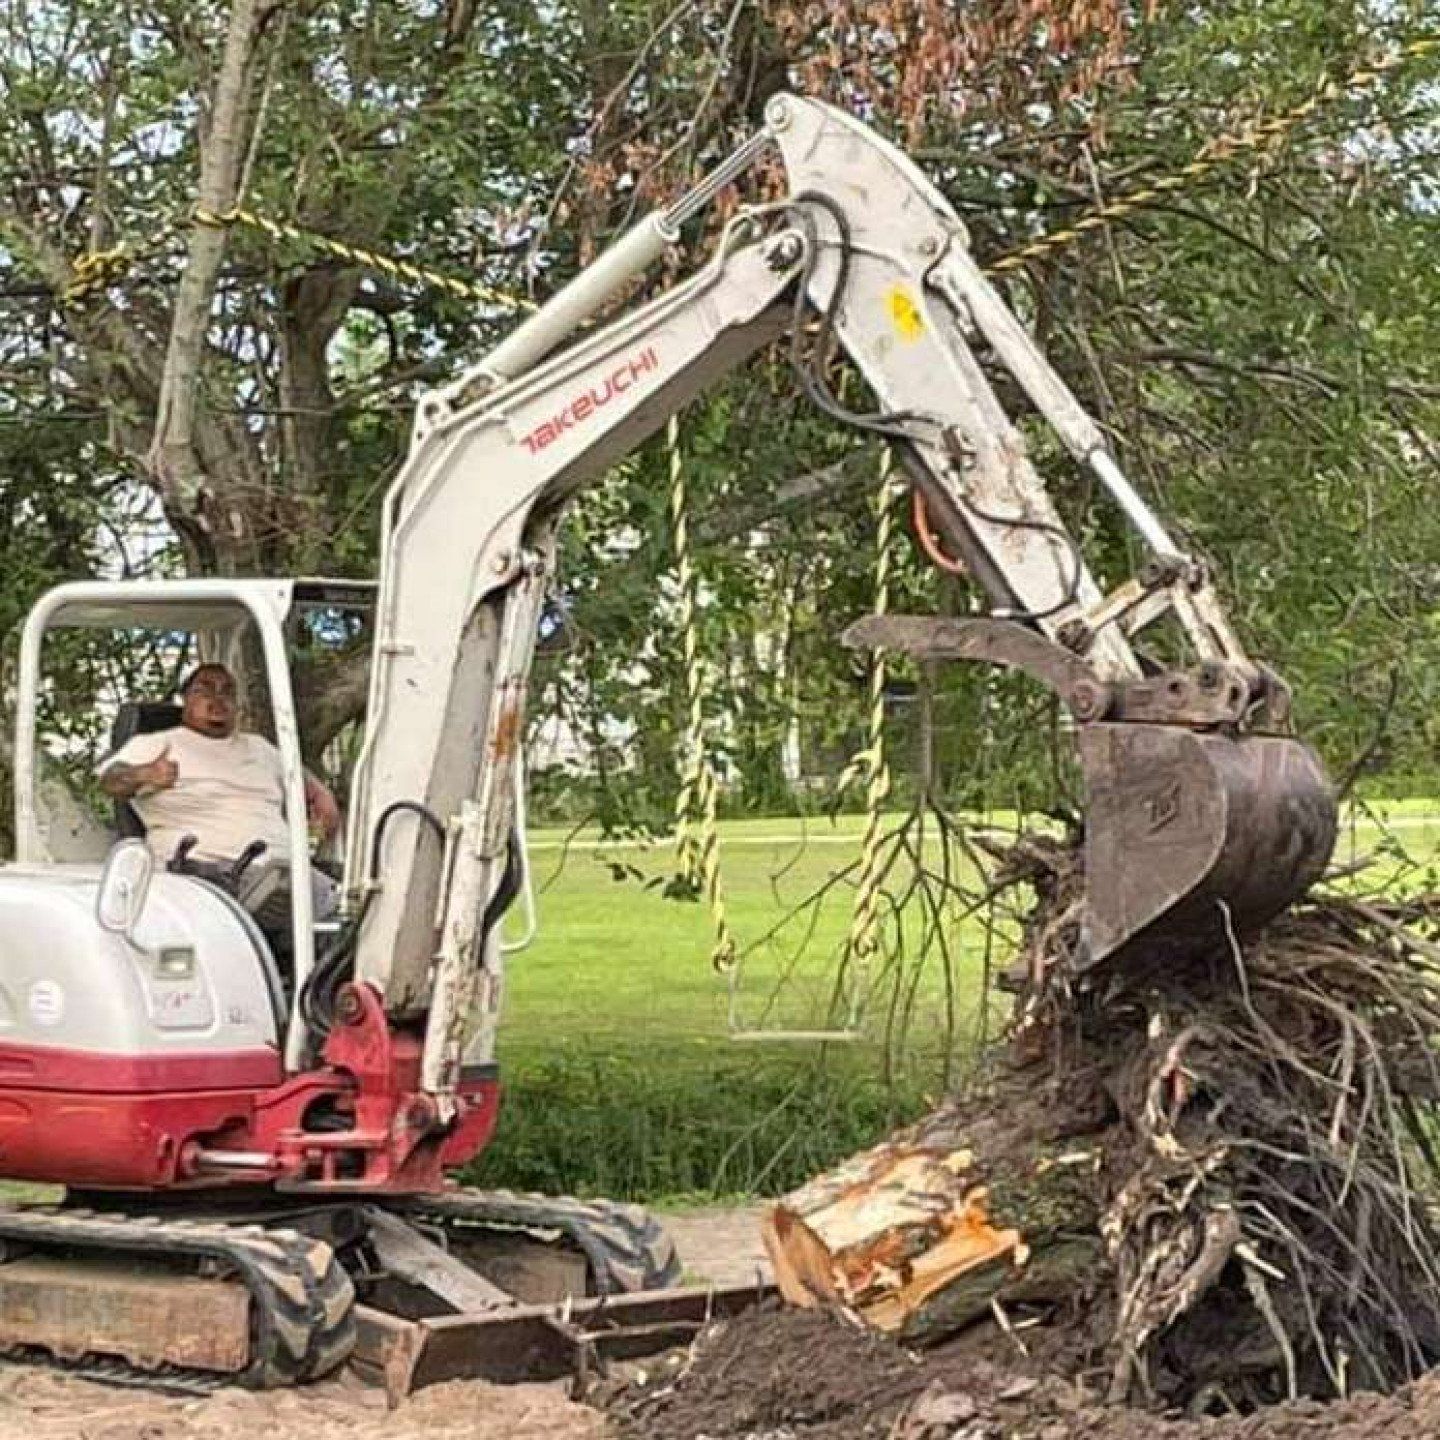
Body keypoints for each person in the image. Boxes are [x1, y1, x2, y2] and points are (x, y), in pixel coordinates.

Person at [97, 662, 341, 881]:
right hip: (202, 876)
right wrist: (146, 774)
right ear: (185, 700)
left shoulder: (259, 748)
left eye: (227, 691)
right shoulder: (157, 744)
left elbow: (302, 779)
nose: (217, 699)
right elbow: (110, 781)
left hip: (283, 873)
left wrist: (321, 795)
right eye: (204, 690)